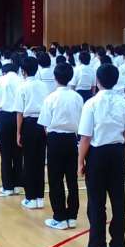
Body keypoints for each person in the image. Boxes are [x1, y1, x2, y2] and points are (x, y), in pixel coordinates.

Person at [78, 64, 125, 247]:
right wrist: (123, 158)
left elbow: (85, 138)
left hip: (97, 154)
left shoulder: (91, 104)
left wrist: (80, 162)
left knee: (96, 202)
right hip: (117, 153)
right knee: (118, 201)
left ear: (98, 80)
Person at [39, 63, 83, 229]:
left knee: (55, 179)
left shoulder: (50, 98)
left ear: (55, 78)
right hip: (72, 139)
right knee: (72, 179)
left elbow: (45, 124)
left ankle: (59, 217)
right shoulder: (77, 97)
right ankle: (72, 216)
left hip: (55, 139)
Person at [15, 56, 47, 209]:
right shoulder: (43, 86)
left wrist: (18, 132)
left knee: (28, 162)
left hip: (28, 124)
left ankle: (30, 198)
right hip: (42, 124)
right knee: (40, 162)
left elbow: (19, 112)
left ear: (23, 71)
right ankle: (40, 197)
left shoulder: (22, 87)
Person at [0, 61, 22, 196]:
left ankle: (7, 187)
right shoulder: (22, 81)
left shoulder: (0, 81)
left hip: (4, 117)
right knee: (18, 152)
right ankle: (17, 185)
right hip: (19, 117)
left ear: (4, 72)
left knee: (6, 153)